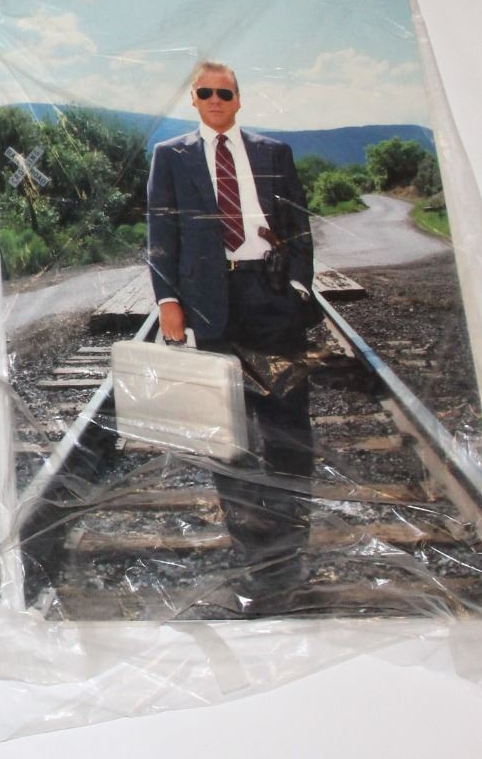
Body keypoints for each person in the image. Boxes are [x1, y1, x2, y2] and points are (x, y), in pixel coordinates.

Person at [146, 59, 317, 611]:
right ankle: (252, 549)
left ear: (239, 99)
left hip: (269, 294)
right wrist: (168, 301)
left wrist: (297, 288)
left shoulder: (273, 152)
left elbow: (298, 226)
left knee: (287, 419)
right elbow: (160, 231)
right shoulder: (170, 156)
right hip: (209, 302)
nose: (216, 101)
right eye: (205, 93)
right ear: (193, 100)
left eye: (225, 93)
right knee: (226, 428)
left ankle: (292, 540)